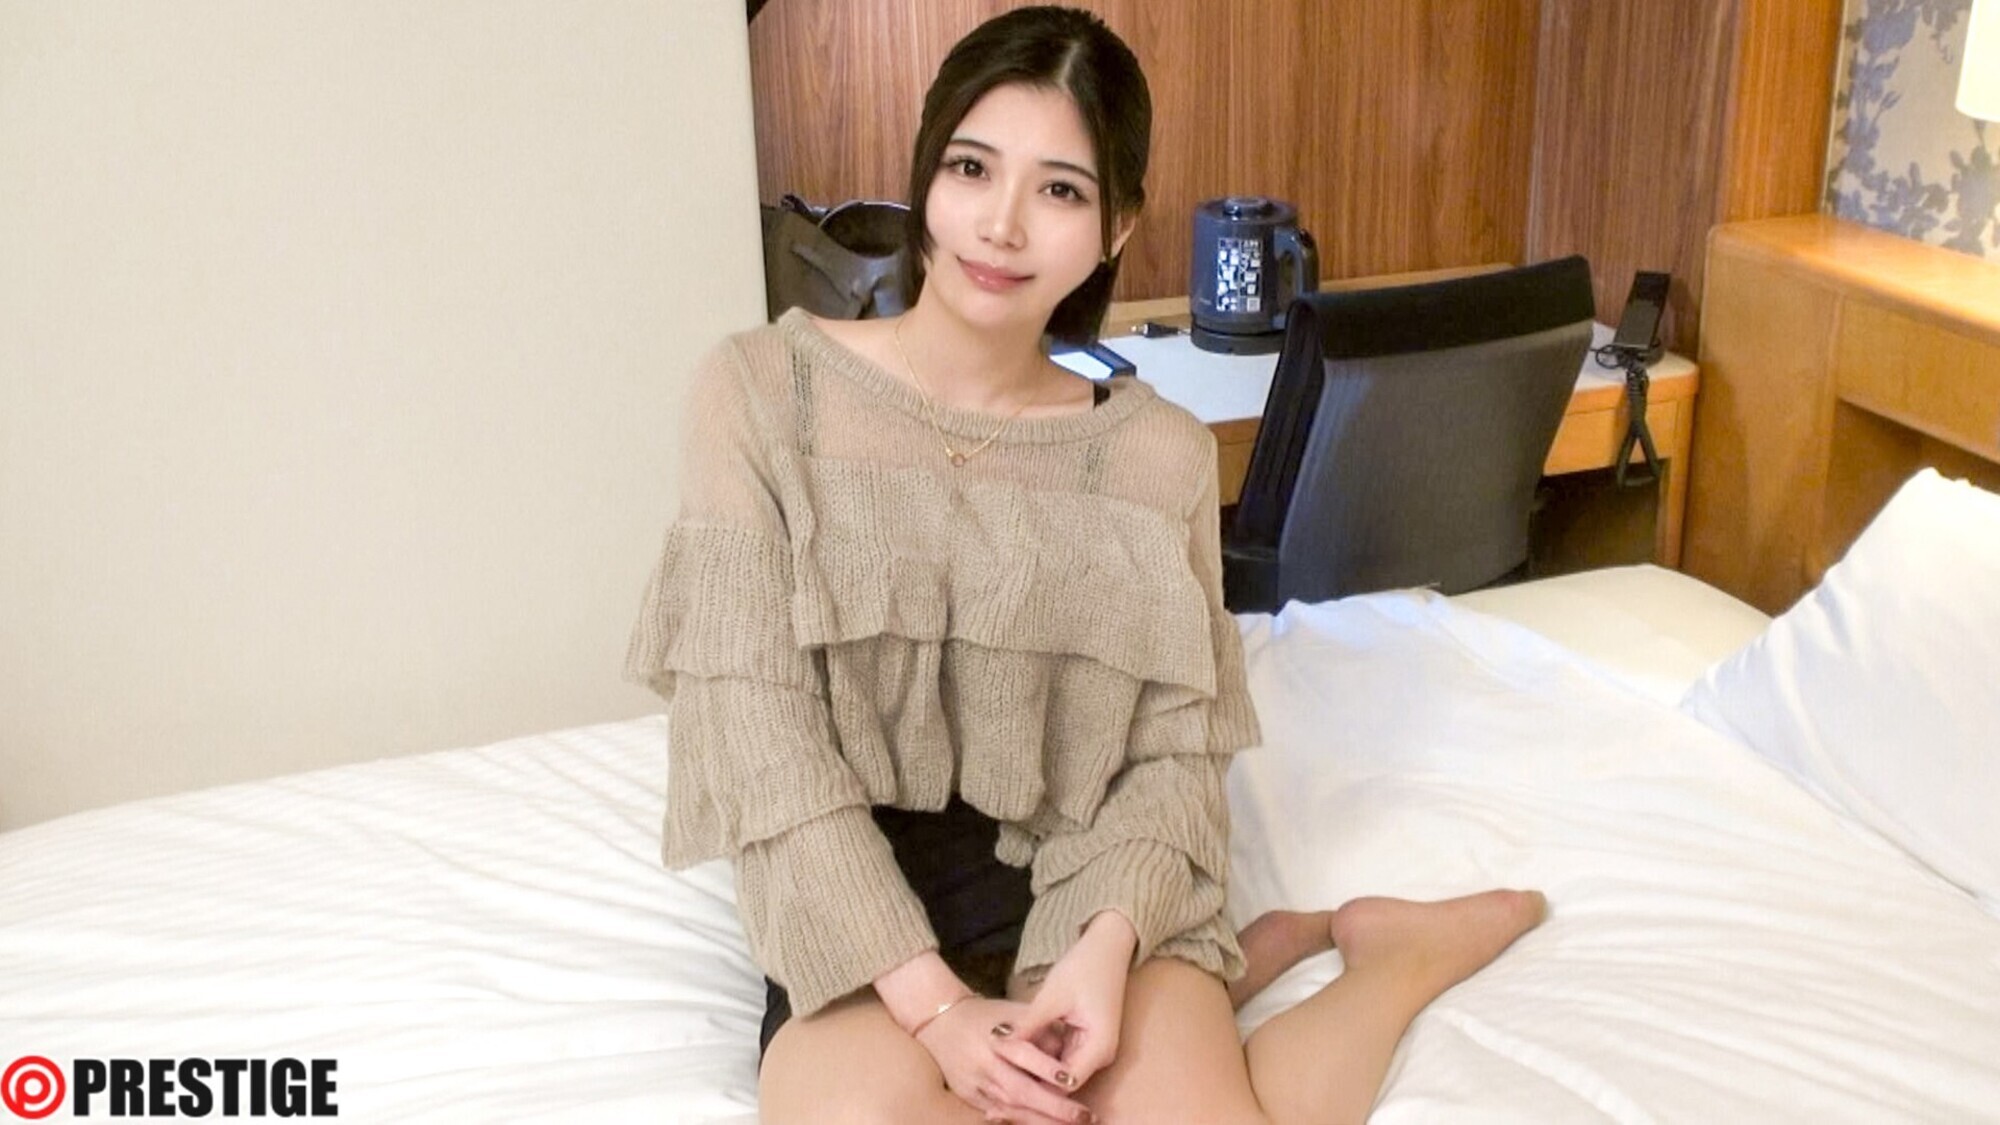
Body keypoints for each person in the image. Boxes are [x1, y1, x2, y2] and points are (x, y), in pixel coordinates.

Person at [627, 7, 1546, 1123]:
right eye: (972, 168)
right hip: (855, 927)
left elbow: (1170, 754)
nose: (1001, 224)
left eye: (1059, 189)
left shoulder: (1155, 454)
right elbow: (757, 744)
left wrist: (1105, 952)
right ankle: (1255, 964)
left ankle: (1392, 959)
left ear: (1117, 227)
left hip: (1086, 889)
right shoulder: (761, 391)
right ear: (926, 173)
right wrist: (937, 1010)